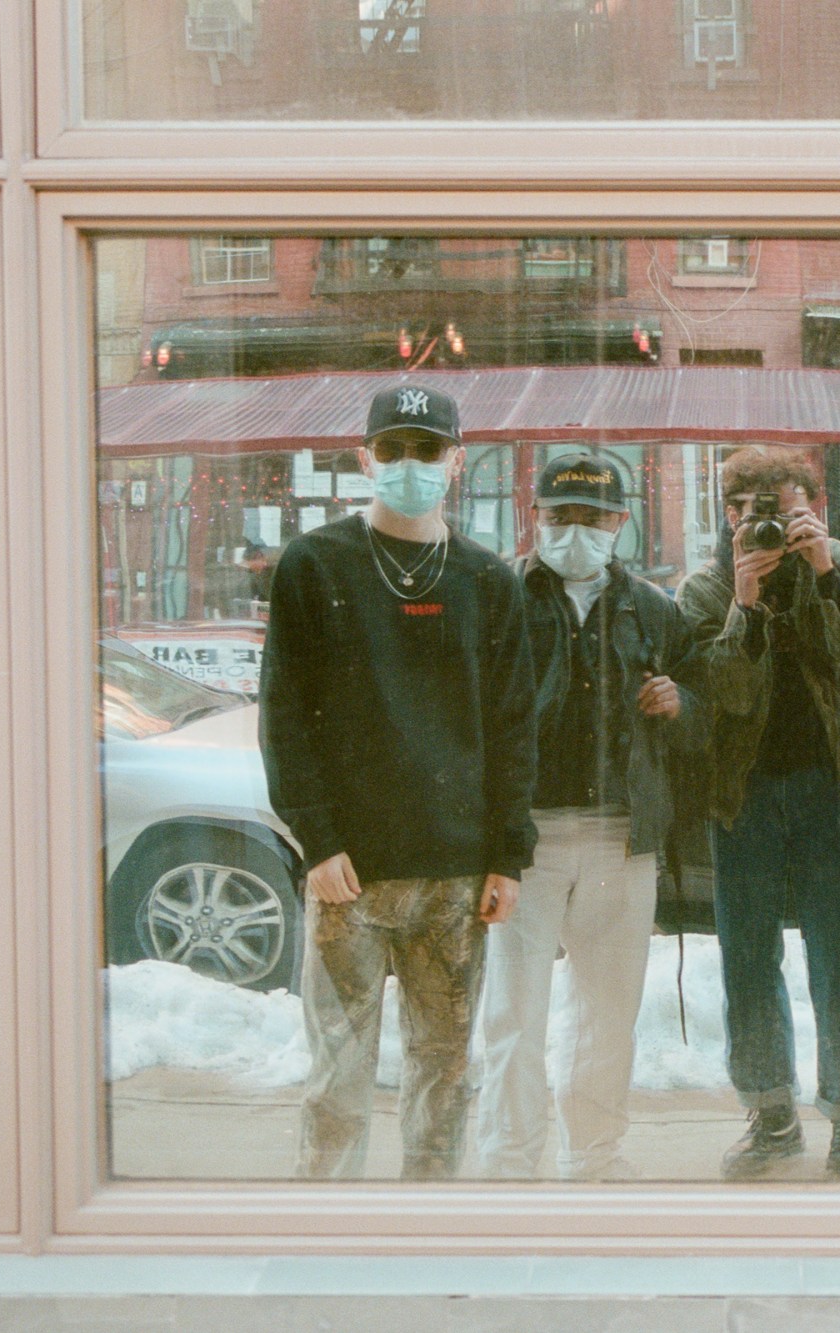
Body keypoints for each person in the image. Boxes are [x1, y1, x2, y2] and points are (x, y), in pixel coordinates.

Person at [257, 382, 537, 1180]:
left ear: (457, 459)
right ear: (364, 457)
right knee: (336, 1085)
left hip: (457, 877)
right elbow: (284, 711)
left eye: (427, 448)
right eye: (393, 448)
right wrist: (317, 838)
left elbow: (514, 729)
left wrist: (507, 854)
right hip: (351, 875)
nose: (409, 463)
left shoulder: (488, 580)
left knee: (444, 1078)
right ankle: (331, 1241)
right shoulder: (315, 564)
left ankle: (425, 1234)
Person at [472, 452, 706, 1181]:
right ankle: (509, 1163)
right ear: (534, 517)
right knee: (514, 1012)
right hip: (523, 838)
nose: (576, 528)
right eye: (560, 514)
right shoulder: (496, 597)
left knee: (608, 1015)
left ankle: (593, 1157)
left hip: (618, 834)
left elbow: (700, 701)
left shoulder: (654, 607)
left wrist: (681, 702)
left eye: (593, 516)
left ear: (620, 521)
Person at [675, 445, 840, 1181]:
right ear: (727, 516)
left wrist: (824, 571)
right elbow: (725, 690)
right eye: (749, 515)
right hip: (746, 793)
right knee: (749, 958)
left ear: (813, 512)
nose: (764, 530)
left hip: (829, 784)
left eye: (785, 514)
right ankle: (772, 1116)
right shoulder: (704, 590)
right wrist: (746, 603)